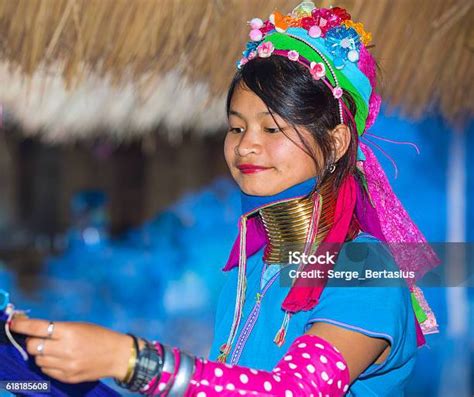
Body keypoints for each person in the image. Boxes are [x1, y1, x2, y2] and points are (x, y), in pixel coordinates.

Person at [9, 2, 440, 396]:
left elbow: (297, 390)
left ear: (337, 141)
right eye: (236, 128)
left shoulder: (365, 266)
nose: (246, 146)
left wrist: (130, 359)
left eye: (271, 129)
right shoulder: (254, 265)